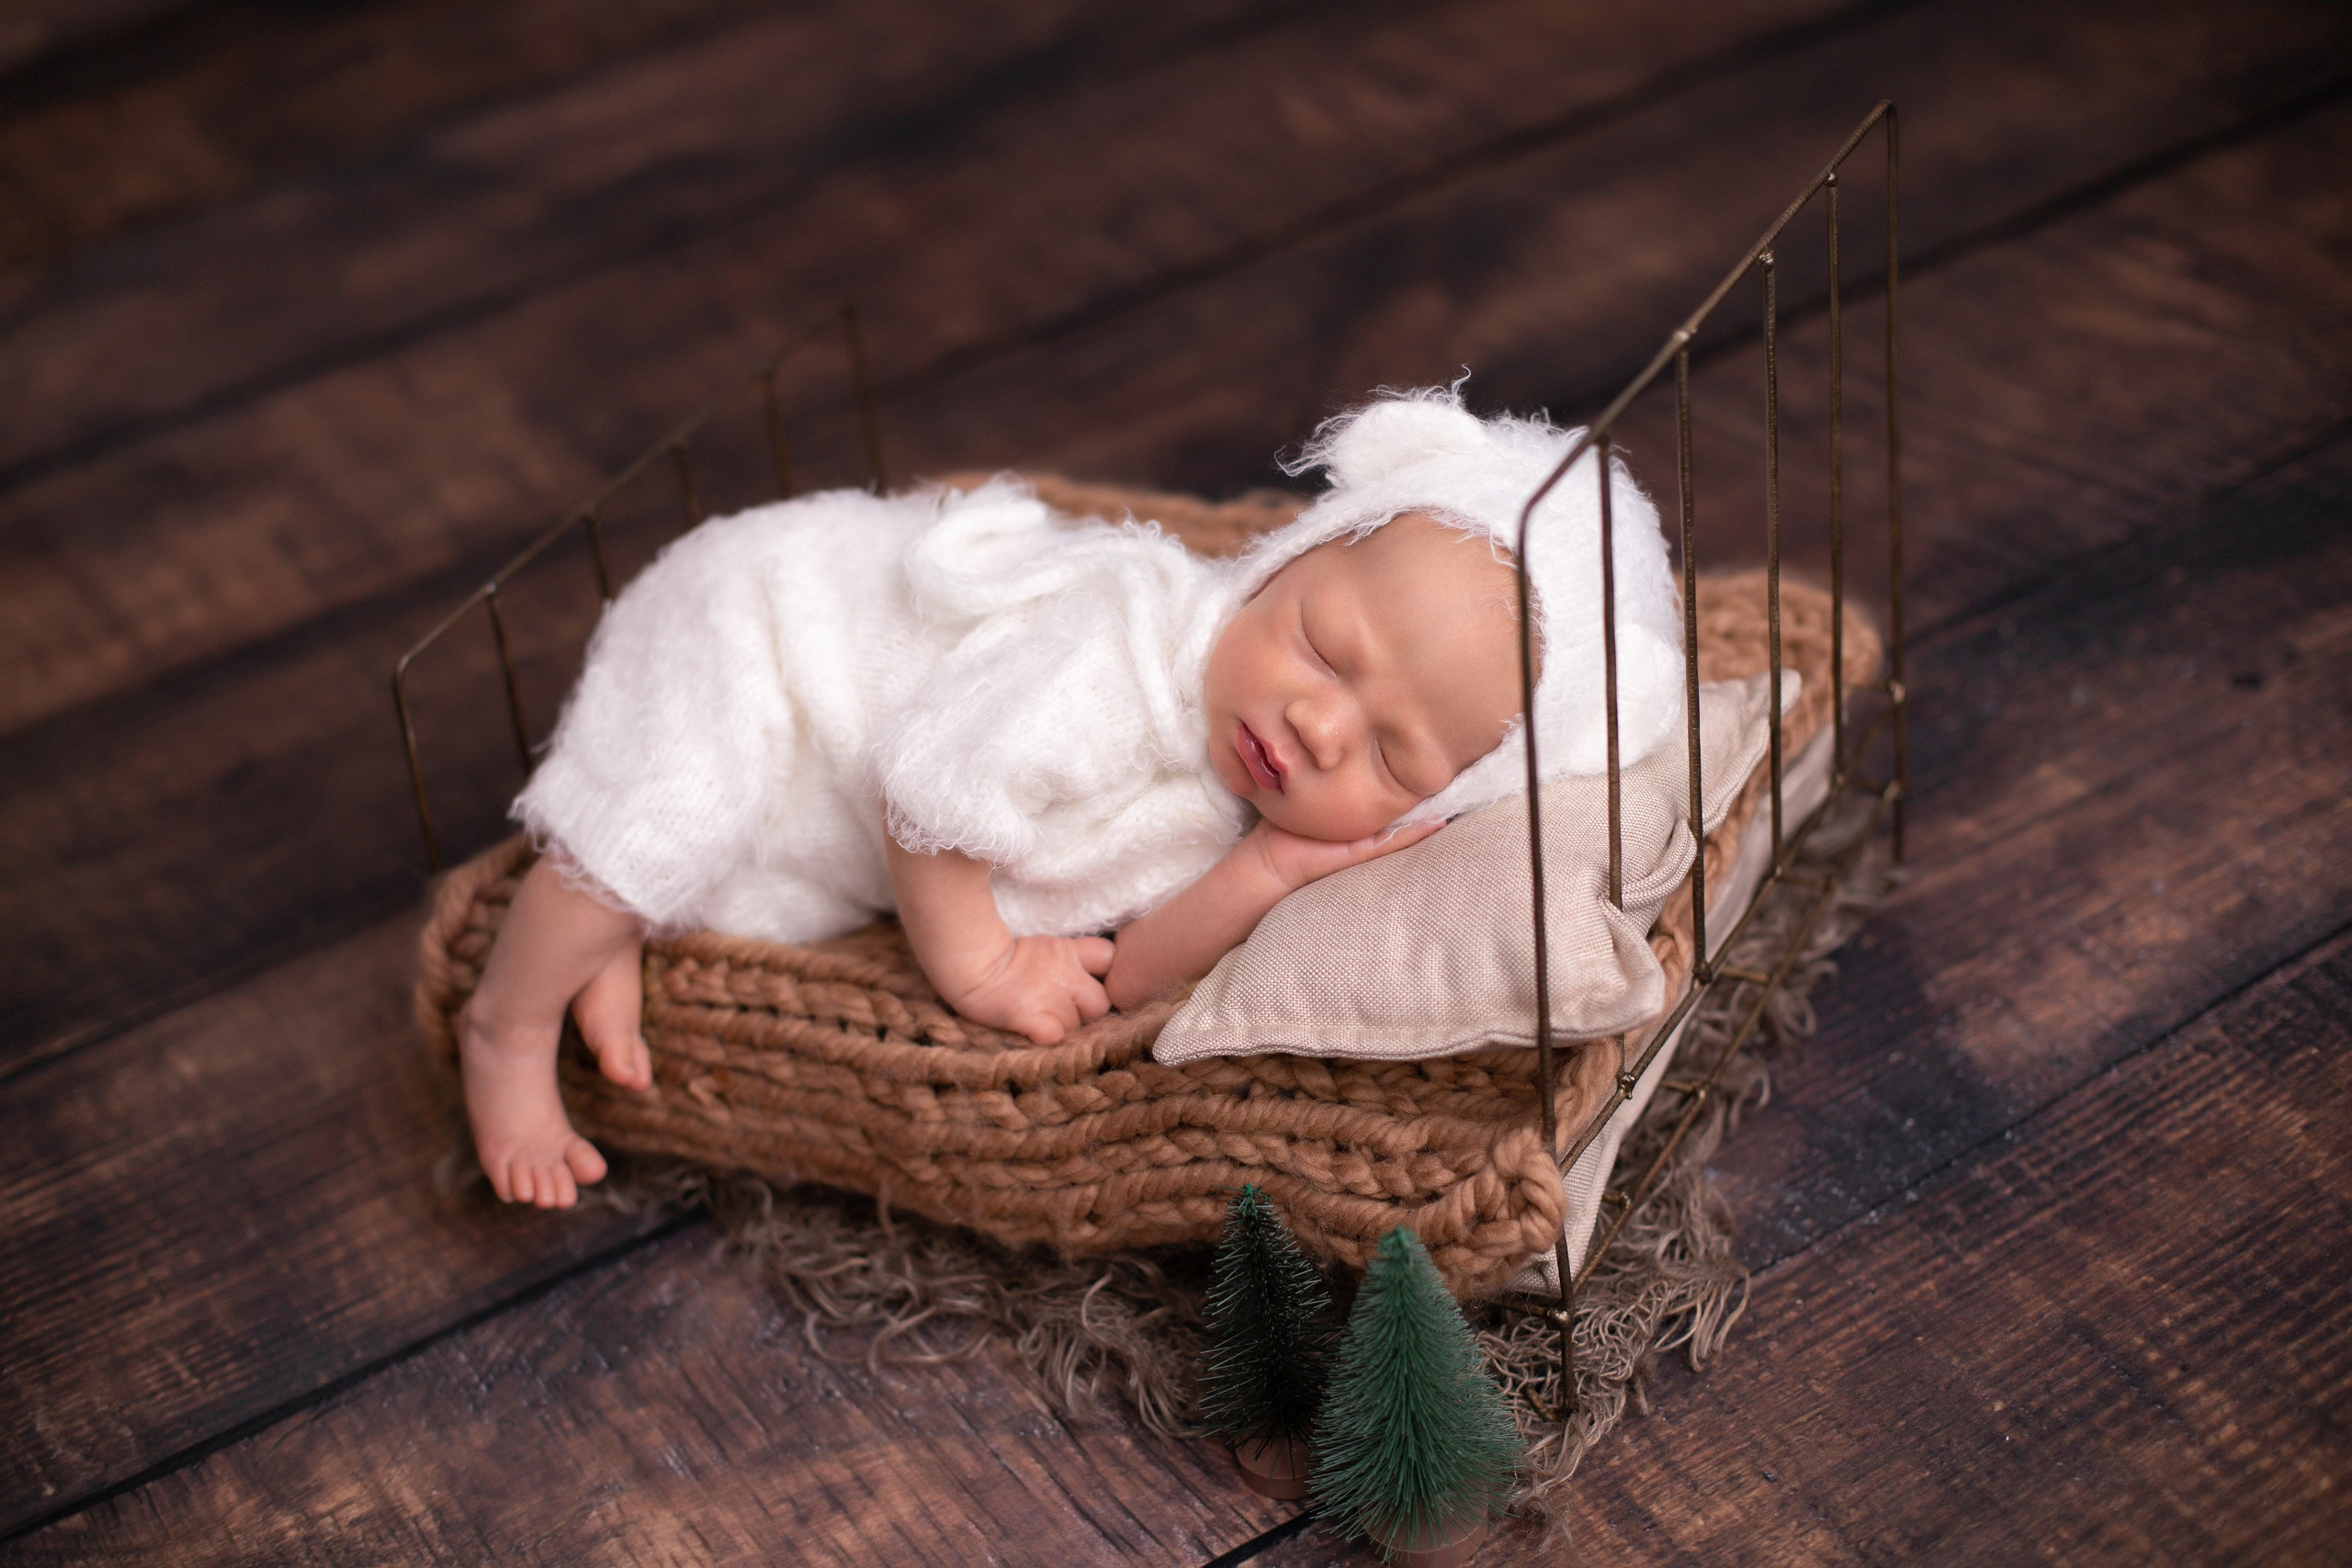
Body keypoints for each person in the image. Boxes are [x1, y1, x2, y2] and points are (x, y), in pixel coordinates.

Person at [456, 388, 1688, 1207]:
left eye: (1396, 758)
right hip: (772, 630)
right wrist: (984, 966)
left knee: (742, 887)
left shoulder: (1254, 807)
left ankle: (612, 933)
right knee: (654, 826)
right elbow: (926, 793)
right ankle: (506, 1025)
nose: (1319, 728)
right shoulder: (1122, 651)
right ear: (1279, 565)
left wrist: (1263, 876)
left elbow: (1120, 975)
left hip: (830, 785)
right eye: (1323, 647)